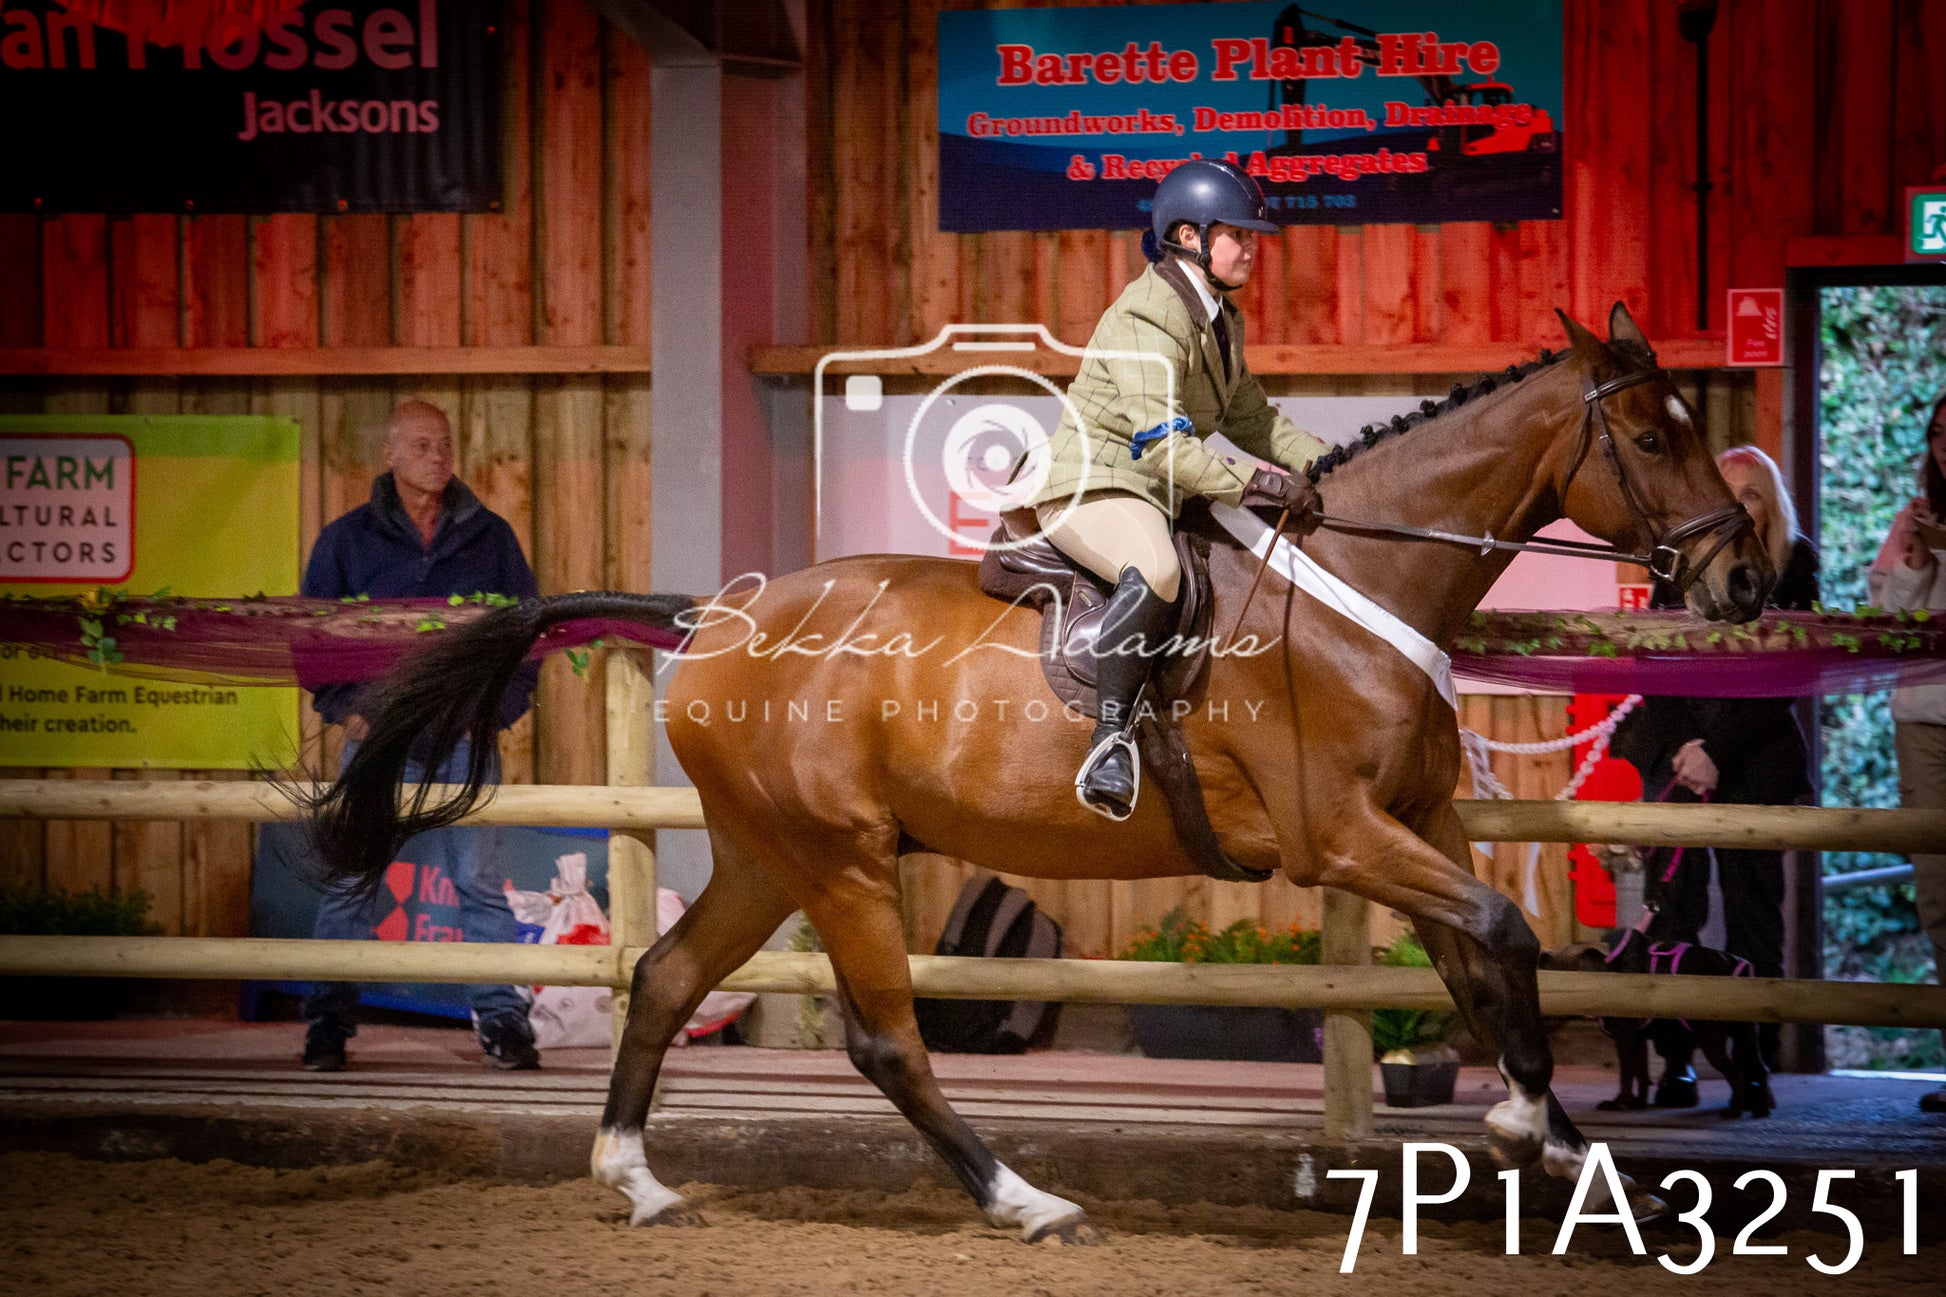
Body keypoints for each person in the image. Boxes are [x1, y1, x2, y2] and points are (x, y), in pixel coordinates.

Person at [1023, 159, 1326, 819]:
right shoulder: (1147, 315)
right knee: (1157, 568)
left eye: (1252, 237)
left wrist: (1334, 464)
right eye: (1237, 235)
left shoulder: (1220, 318)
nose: (1251, 248)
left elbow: (1254, 421)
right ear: (1190, 236)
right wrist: (1257, 482)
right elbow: (1162, 445)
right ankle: (1110, 742)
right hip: (1095, 484)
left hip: (1158, 489)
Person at [298, 399, 543, 1072]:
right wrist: (344, 706)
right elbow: (311, 633)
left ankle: (502, 1019)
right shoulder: (347, 541)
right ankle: (328, 1021)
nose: (438, 456)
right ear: (389, 455)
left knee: (480, 884)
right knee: (353, 881)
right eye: (422, 445)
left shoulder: (491, 538)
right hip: (376, 742)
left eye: (445, 445)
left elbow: (527, 633)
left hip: (463, 742)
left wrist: (495, 712)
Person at [1612, 444, 1818, 1104]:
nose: (1737, 507)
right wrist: (1686, 747)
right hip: (1676, 746)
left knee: (1753, 913)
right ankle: (1676, 1060)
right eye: (1727, 495)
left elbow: (1788, 672)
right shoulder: (1676, 557)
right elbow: (1653, 659)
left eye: (1750, 495)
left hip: (1753, 753)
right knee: (1672, 910)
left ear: (1771, 506)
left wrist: (1717, 753)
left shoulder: (1796, 562)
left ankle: (1752, 1061)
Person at [1867, 395, 1946, 1113]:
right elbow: (1887, 625)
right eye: (1940, 433)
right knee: (1938, 893)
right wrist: (1918, 559)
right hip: (1924, 720)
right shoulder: (1910, 520)